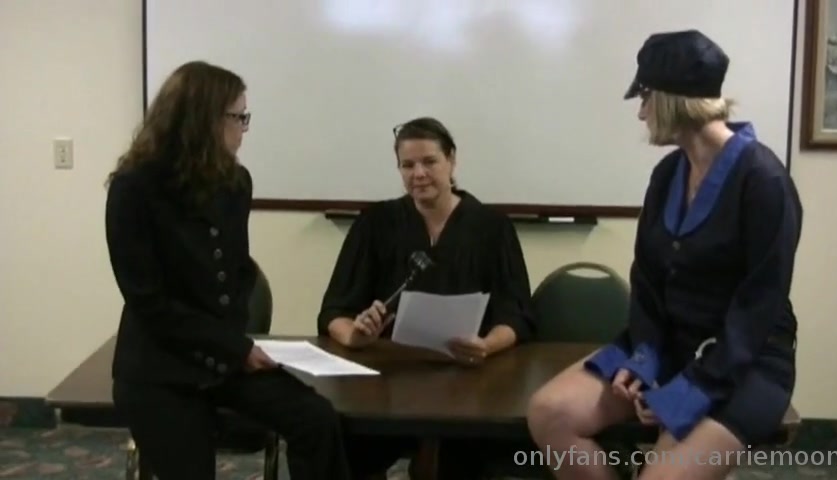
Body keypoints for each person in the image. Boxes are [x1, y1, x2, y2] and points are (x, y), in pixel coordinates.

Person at [526, 30, 802, 480]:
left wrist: (687, 391)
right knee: (548, 413)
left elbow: (759, 307)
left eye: (645, 97)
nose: (641, 112)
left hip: (742, 361)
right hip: (667, 344)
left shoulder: (764, 181)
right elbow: (648, 283)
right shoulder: (668, 173)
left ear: (673, 100)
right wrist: (644, 361)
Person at [104, 61, 351, 480]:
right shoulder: (134, 187)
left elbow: (237, 274)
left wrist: (236, 350)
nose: (244, 128)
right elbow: (149, 302)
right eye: (238, 117)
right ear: (203, 119)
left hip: (224, 360)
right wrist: (233, 348)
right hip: (160, 369)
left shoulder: (235, 181)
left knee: (316, 419)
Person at [317, 116, 537, 479]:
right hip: (387, 379)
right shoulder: (375, 223)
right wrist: (354, 335)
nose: (418, 174)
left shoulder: (491, 227)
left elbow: (517, 314)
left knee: (462, 459)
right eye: (407, 165)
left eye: (429, 162)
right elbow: (334, 310)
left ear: (452, 161)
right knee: (338, 443)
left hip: (470, 379)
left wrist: (486, 345)